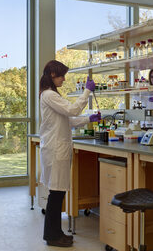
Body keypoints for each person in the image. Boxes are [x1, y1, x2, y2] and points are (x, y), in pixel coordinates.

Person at [39, 60, 101, 248]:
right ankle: (52, 236)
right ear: (52, 75)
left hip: (58, 149)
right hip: (56, 150)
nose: (64, 79)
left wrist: (88, 119)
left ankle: (55, 233)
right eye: (61, 75)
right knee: (56, 194)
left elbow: (69, 120)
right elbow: (72, 109)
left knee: (57, 194)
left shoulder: (51, 95)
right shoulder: (49, 95)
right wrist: (87, 91)